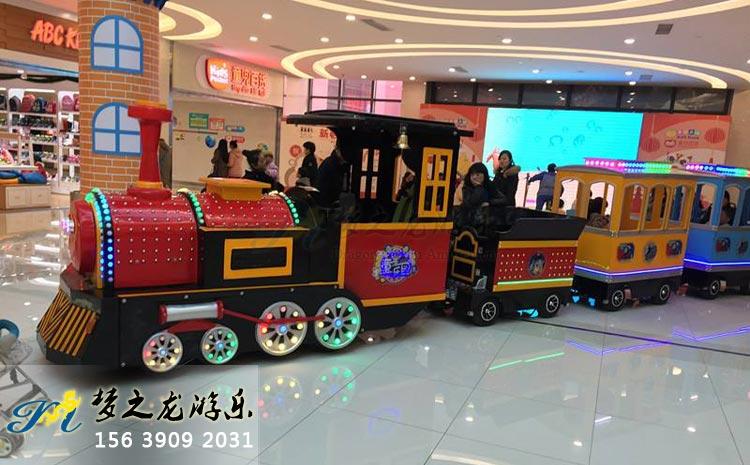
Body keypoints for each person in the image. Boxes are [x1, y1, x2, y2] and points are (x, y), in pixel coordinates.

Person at [457, 162, 510, 227]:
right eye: (472, 175)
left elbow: (504, 200)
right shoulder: (467, 187)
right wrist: (479, 187)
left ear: (484, 175)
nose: (474, 177)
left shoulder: (489, 185)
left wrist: (490, 203)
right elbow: (473, 201)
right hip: (468, 222)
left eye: (477, 174)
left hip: (486, 222)